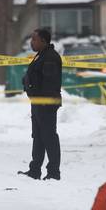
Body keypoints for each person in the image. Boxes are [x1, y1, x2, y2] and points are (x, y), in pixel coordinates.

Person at [18, 28, 62, 180]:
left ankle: (53, 173)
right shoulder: (40, 56)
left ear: (43, 41)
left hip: (46, 103)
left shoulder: (50, 57)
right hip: (37, 102)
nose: (32, 42)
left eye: (34, 39)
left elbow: (48, 83)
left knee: (49, 137)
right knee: (37, 136)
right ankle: (34, 170)